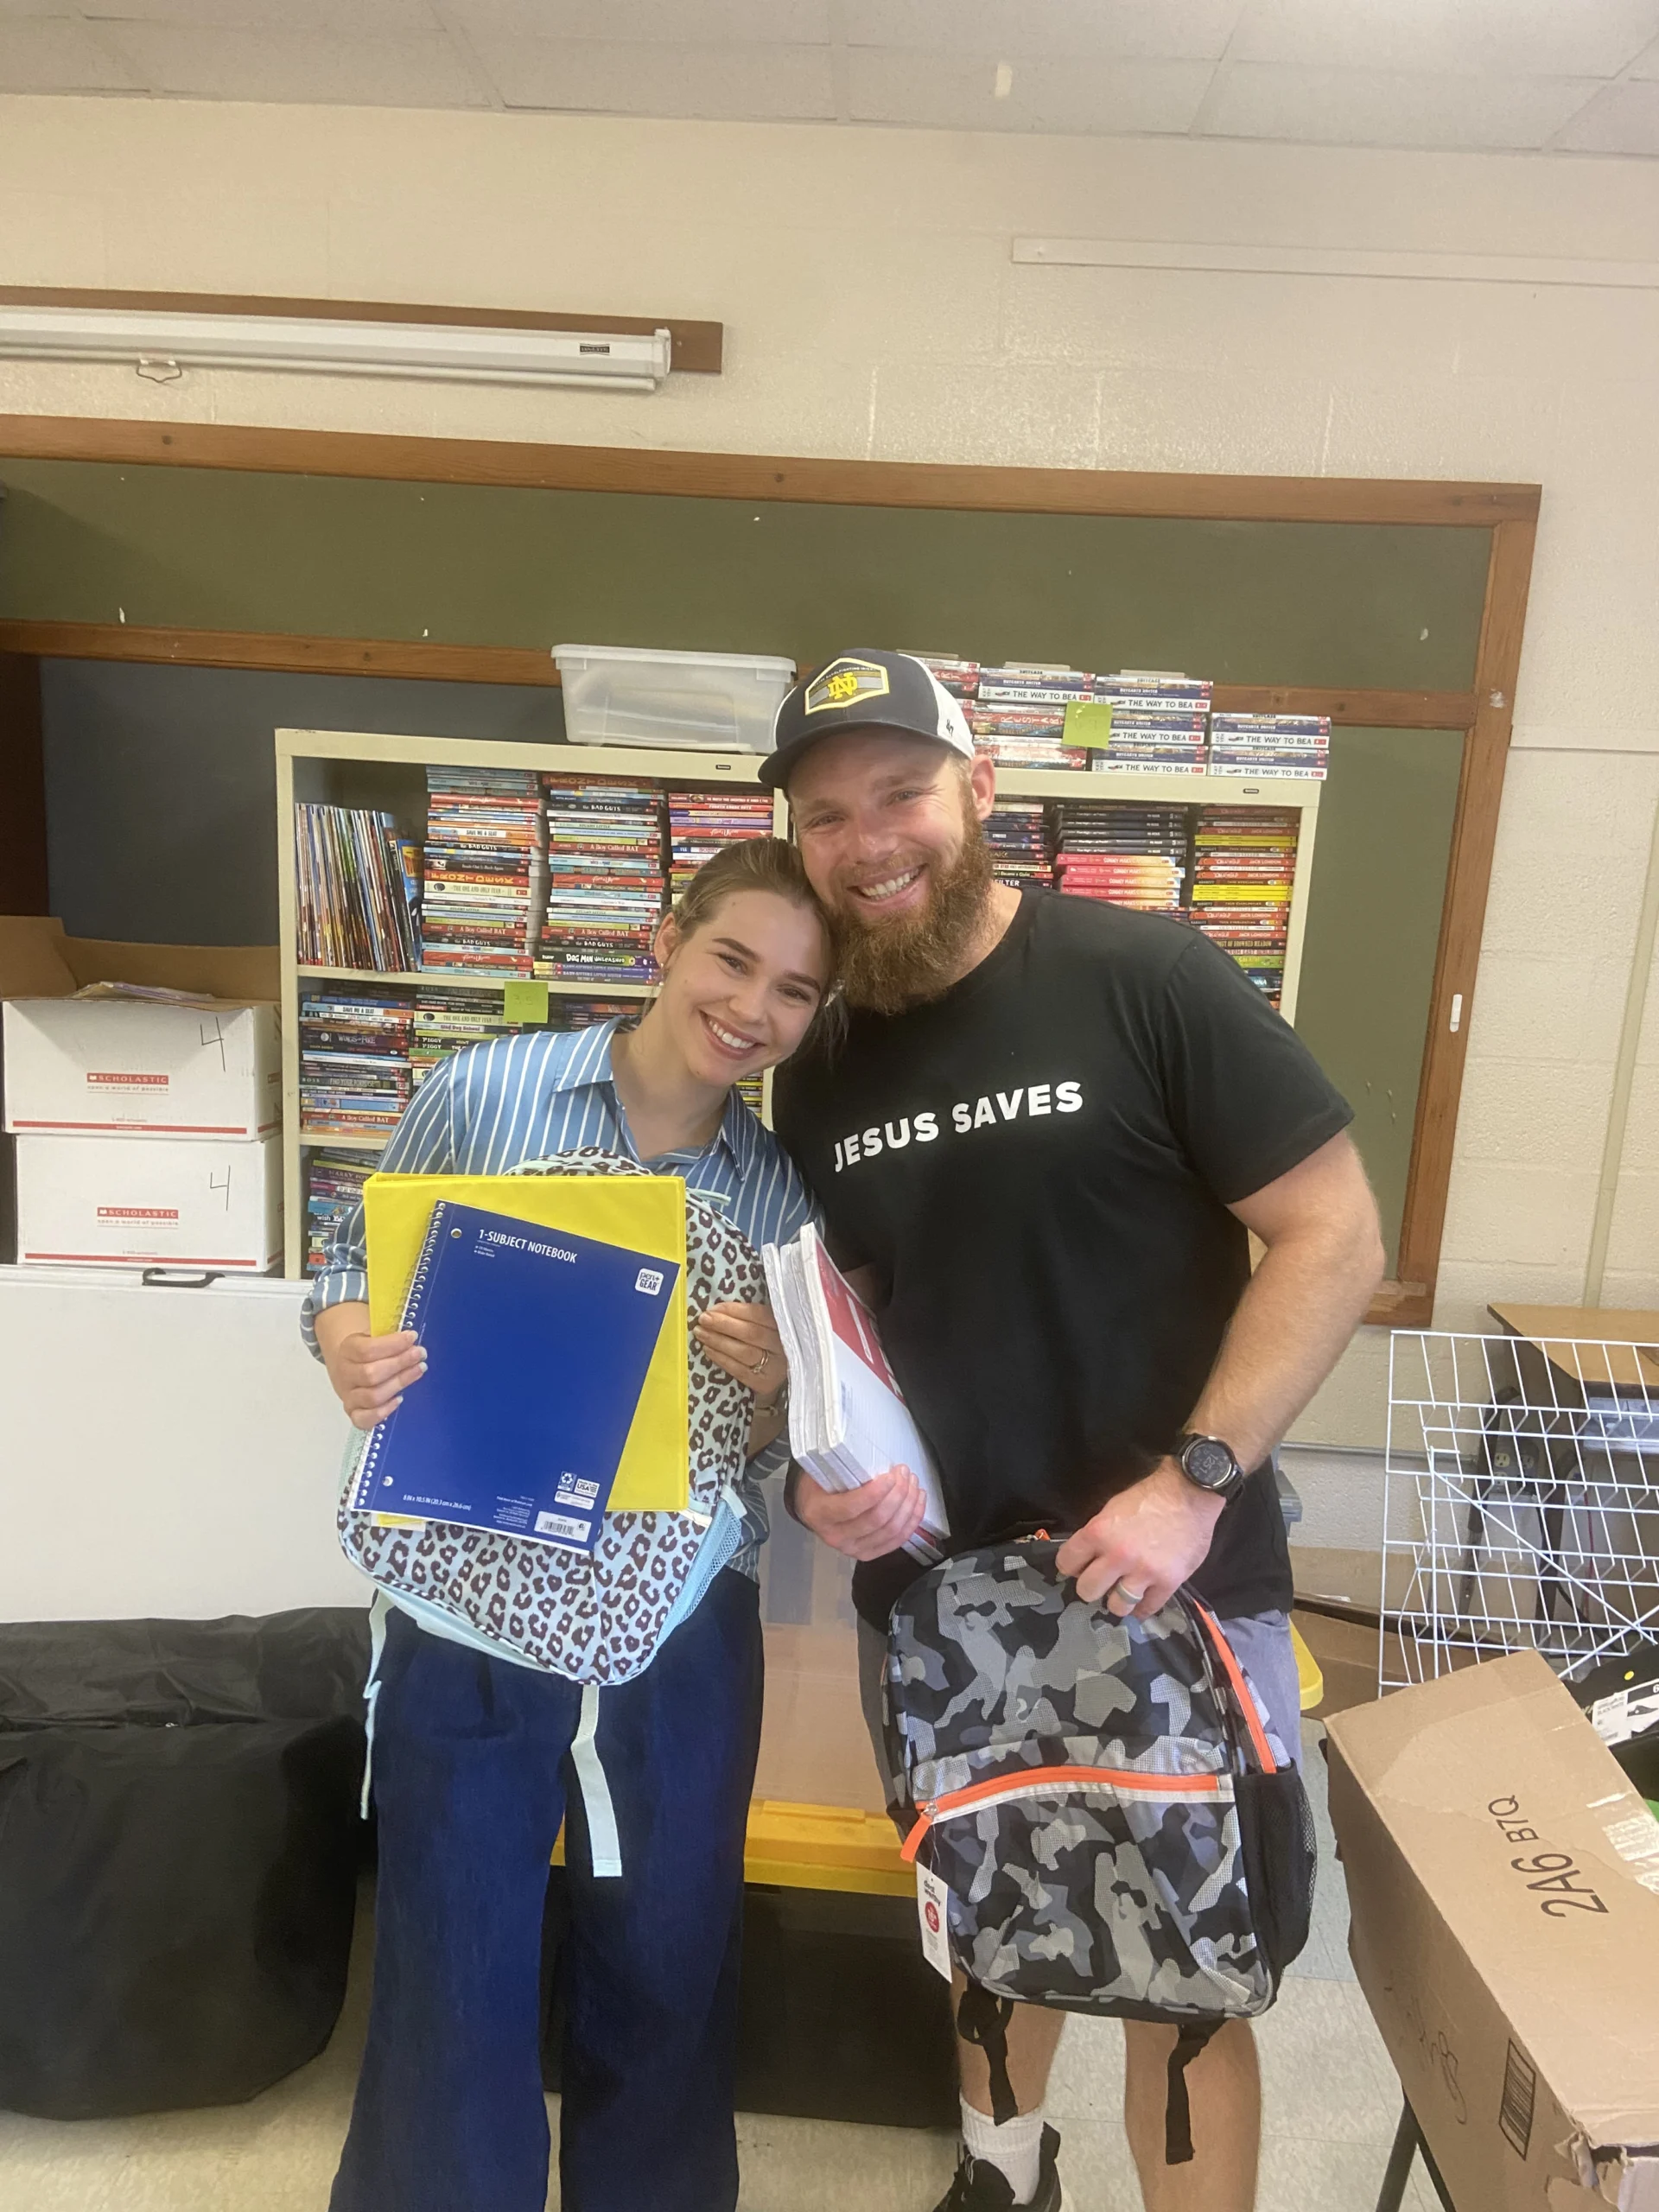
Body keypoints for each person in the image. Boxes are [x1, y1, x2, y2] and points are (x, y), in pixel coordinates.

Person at [765, 652, 1386, 2212]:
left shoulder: (1146, 976)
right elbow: (852, 1327)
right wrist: (827, 1478)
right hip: (944, 1600)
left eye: (899, 793)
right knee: (989, 1923)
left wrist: (1195, 1482)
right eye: (826, 815)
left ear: (979, 790)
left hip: (1172, 1576)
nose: (867, 841)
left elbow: (1333, 1234)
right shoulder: (819, 1062)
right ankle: (1001, 2179)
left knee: (1192, 1966)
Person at [303, 838, 832, 2212]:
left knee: (670, 1949)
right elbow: (349, 1258)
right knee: (451, 1945)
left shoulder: (781, 1190)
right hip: (466, 1591)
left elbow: (780, 1436)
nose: (752, 1008)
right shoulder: (484, 1094)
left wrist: (777, 1389)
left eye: (793, 990)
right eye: (732, 959)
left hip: (678, 1614)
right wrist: (349, 1344)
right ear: (665, 939)